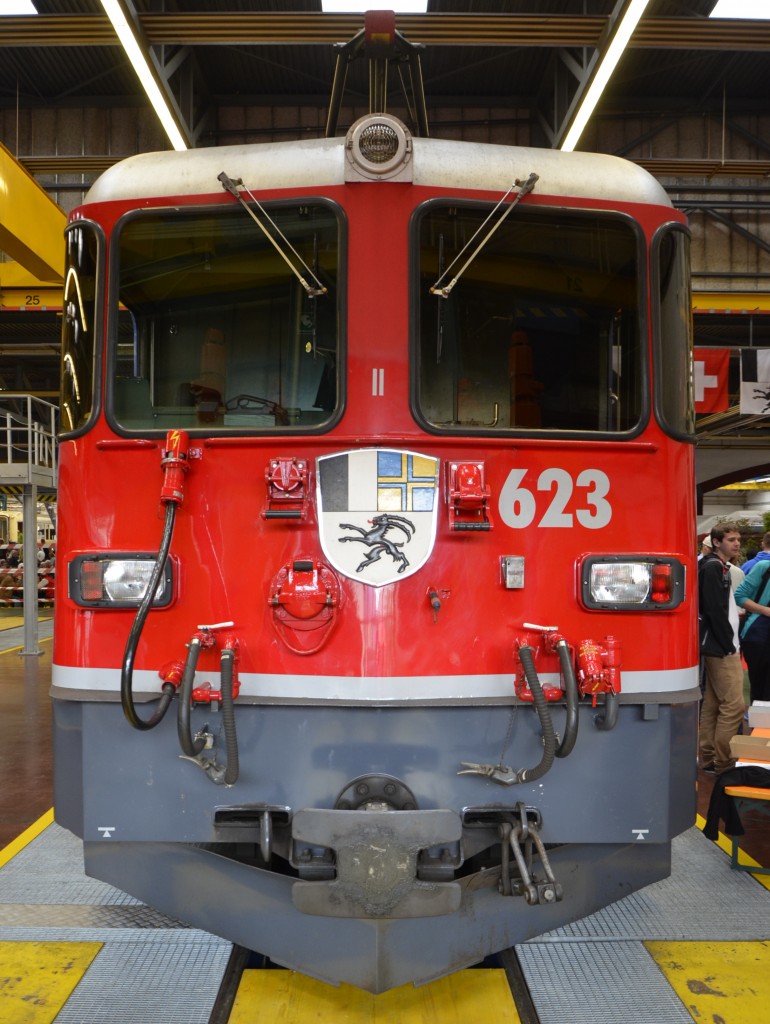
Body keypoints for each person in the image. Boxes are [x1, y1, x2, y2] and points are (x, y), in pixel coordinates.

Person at [698, 523, 746, 776]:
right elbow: (715, 610)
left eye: (738, 539)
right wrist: (729, 644)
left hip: (718, 644)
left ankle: (708, 757)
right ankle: (724, 763)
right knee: (734, 705)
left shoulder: (715, 567)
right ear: (716, 542)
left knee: (715, 703)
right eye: (730, 539)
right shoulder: (714, 568)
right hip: (722, 647)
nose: (736, 543)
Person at [734, 559, 770, 703]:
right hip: (759, 634)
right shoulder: (764, 567)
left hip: (759, 634)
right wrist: (765, 610)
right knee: (760, 688)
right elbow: (739, 596)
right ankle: (759, 720)